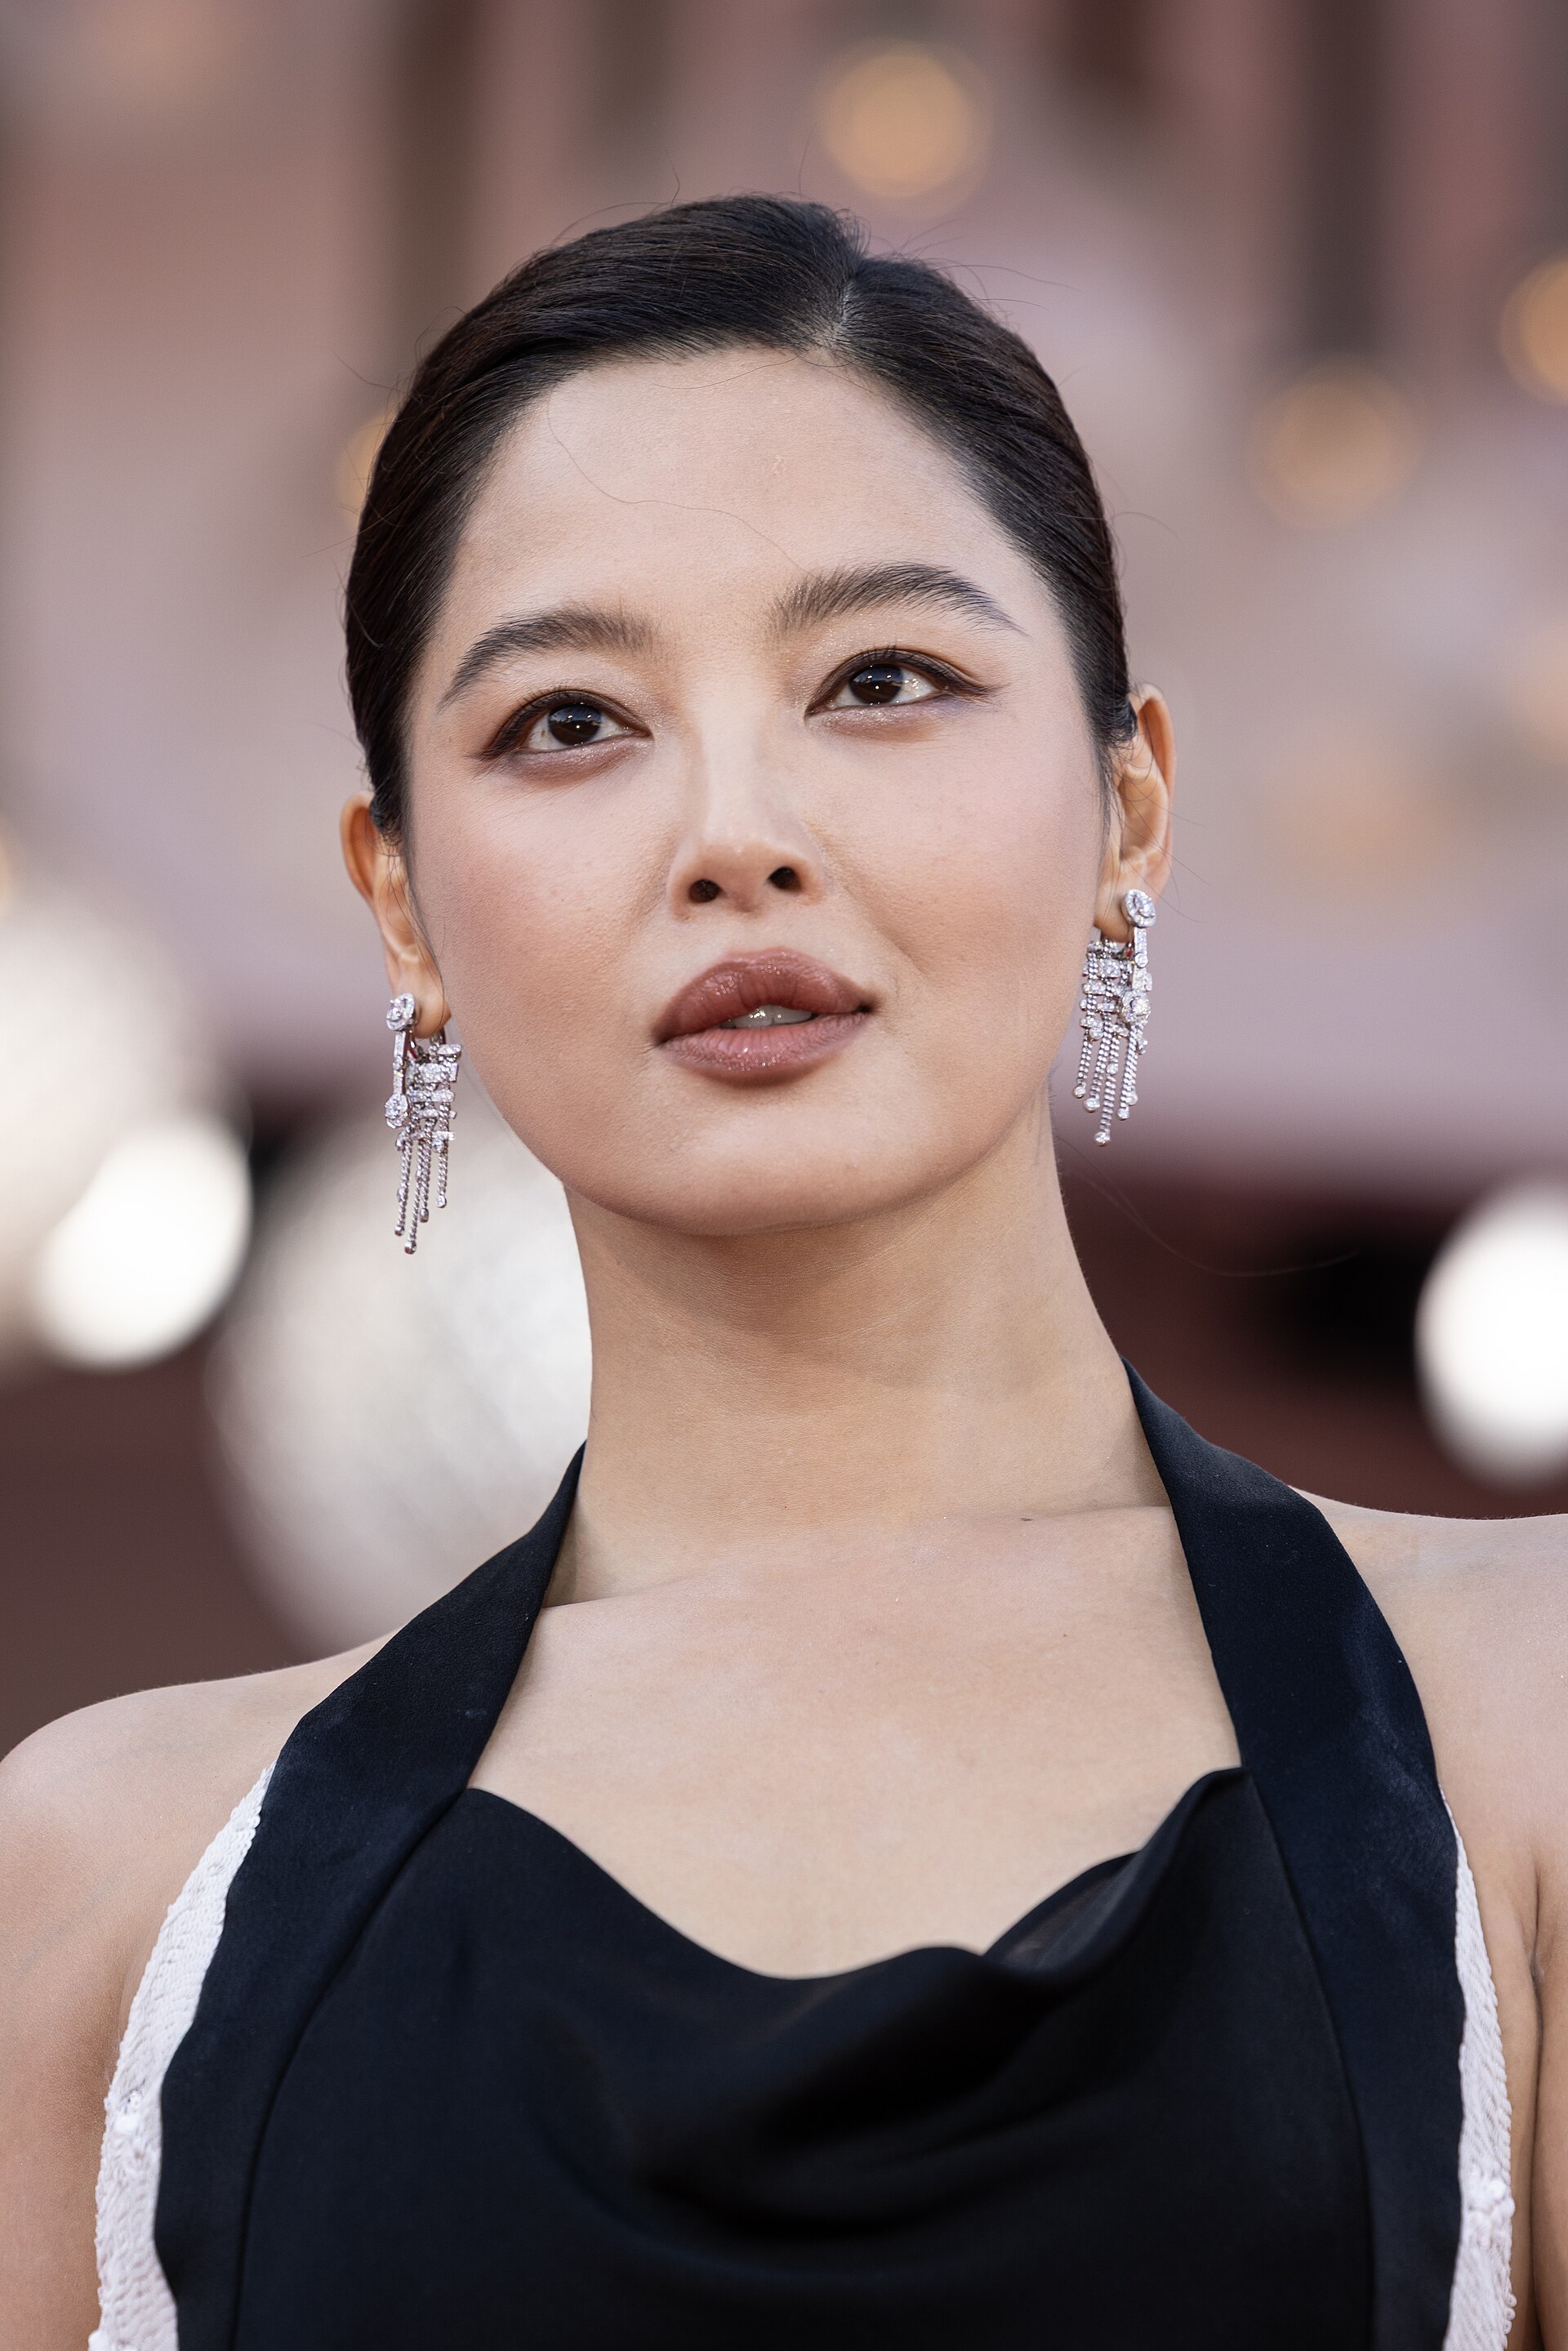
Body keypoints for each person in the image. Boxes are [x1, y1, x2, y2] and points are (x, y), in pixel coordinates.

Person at [0, 194, 1561, 2351]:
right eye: (569, 721)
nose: (735, 828)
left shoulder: (1523, 1736)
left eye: (885, 679)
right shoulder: (100, 1889)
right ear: (404, 909)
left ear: (1128, 810)